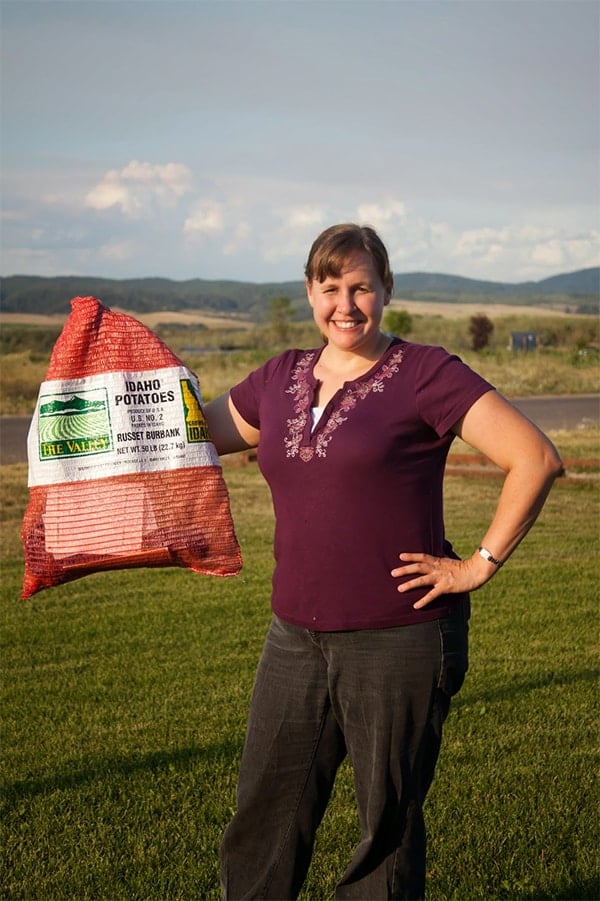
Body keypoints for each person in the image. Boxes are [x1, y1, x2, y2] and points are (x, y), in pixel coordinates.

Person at [204, 223, 563, 900]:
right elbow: (196, 434)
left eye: (361, 286)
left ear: (386, 289)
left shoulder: (426, 372)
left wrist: (477, 564)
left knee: (385, 834)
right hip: (294, 639)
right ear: (309, 291)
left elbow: (534, 458)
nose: (346, 303)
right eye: (331, 286)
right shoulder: (279, 378)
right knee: (264, 821)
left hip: (399, 636)